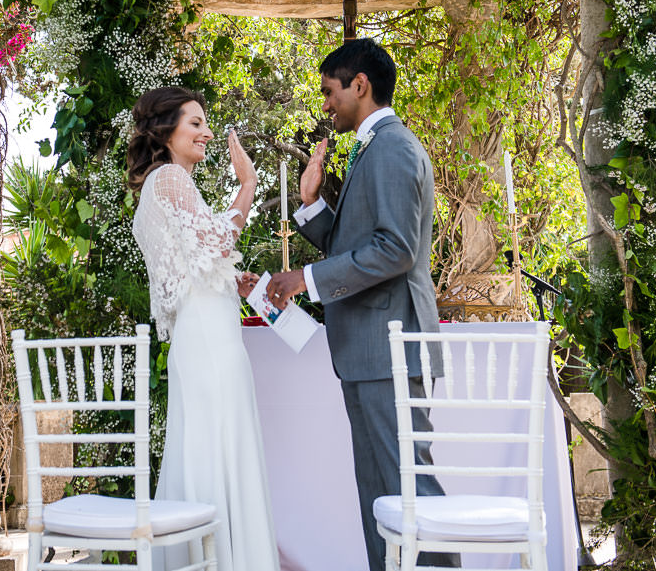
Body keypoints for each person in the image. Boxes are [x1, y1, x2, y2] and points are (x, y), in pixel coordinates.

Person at [265, 40, 456, 570]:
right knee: (381, 494)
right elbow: (359, 249)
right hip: (371, 352)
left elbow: (396, 249)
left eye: (329, 91)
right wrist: (312, 206)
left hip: (390, 347)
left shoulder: (392, 148)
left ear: (360, 85)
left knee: (407, 492)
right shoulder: (373, 148)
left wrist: (303, 279)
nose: (326, 104)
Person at [127, 86, 280, 571]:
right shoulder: (170, 177)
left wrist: (232, 282)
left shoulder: (168, 183)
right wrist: (248, 185)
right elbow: (216, 243)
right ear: (166, 130)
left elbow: (197, 265)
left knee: (209, 446)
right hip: (209, 343)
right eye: (195, 123)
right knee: (218, 447)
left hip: (207, 333)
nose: (207, 132)